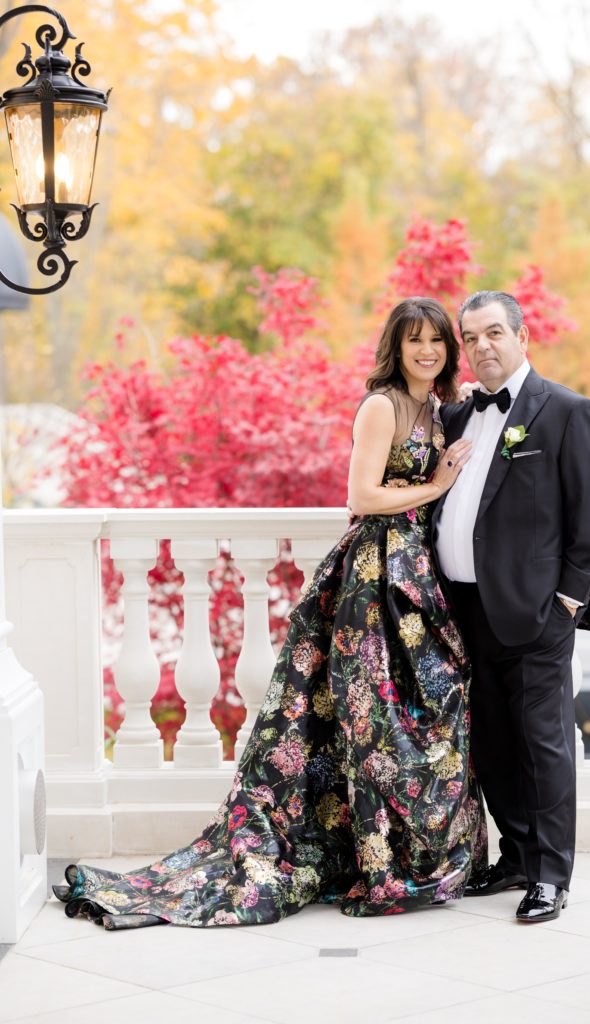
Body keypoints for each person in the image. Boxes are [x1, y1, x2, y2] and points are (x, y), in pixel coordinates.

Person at [54, 296, 488, 929]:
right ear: (394, 348)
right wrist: (435, 486)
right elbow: (361, 495)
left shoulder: (437, 408)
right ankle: (374, 862)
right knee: (368, 719)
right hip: (372, 578)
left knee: (427, 706)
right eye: (414, 340)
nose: (428, 351)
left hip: (416, 576)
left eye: (438, 342)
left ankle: (403, 852)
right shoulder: (382, 405)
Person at [433, 290, 590, 924]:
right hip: (462, 613)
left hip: (537, 614)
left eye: (493, 334)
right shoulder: (455, 418)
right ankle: (514, 855)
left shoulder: (567, 412)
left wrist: (566, 602)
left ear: (521, 336)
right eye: (471, 338)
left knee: (544, 745)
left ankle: (549, 876)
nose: (482, 347)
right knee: (491, 741)